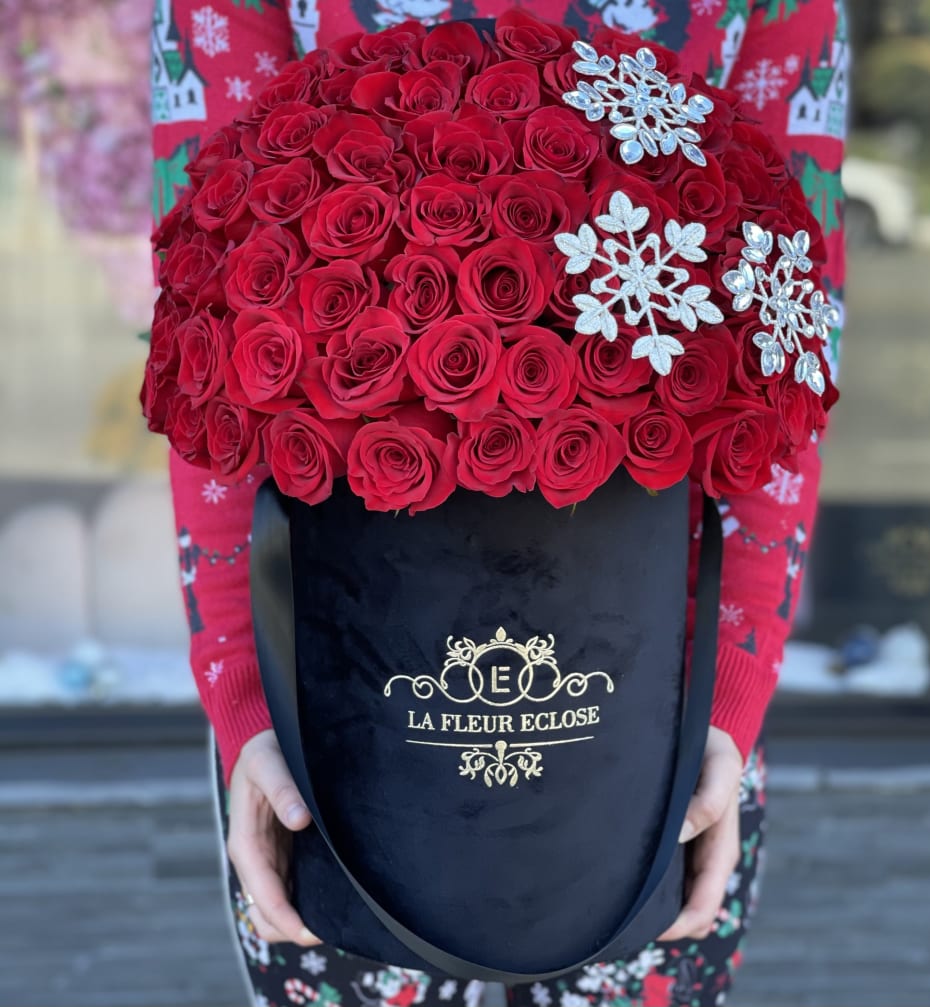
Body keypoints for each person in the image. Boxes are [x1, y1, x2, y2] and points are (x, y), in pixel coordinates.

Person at [150, 0, 847, 1003]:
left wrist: (731, 691)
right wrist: (244, 699)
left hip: (660, 698)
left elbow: (793, 315)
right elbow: (209, 307)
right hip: (331, 705)